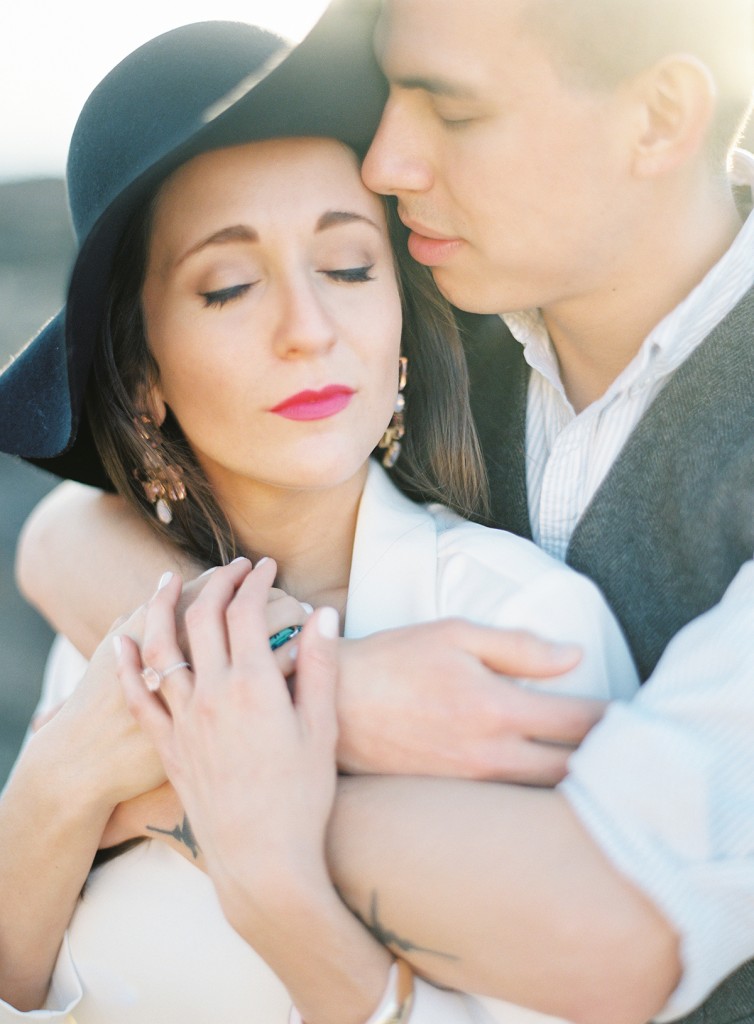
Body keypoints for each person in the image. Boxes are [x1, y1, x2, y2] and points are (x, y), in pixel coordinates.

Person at [9, 0, 754, 1021]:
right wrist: (317, 680)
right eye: (229, 285)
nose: (389, 159)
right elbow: (62, 537)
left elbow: (617, 930)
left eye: (450, 108)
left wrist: (169, 763)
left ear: (661, 115)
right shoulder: (460, 310)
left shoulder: (510, 574)